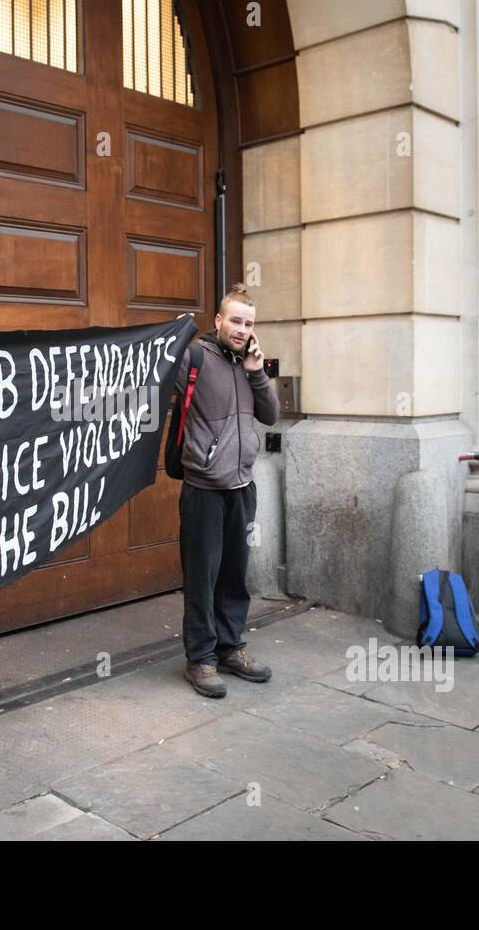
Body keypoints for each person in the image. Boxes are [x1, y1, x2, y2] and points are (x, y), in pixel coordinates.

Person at [172, 283, 280, 697]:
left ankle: (230, 647)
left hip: (242, 487)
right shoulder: (195, 356)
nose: (241, 329)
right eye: (235, 320)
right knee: (202, 576)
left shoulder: (250, 363)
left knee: (235, 575)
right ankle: (200, 658)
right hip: (203, 488)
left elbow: (270, 415)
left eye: (248, 323)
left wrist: (257, 372)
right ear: (219, 320)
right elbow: (150, 381)